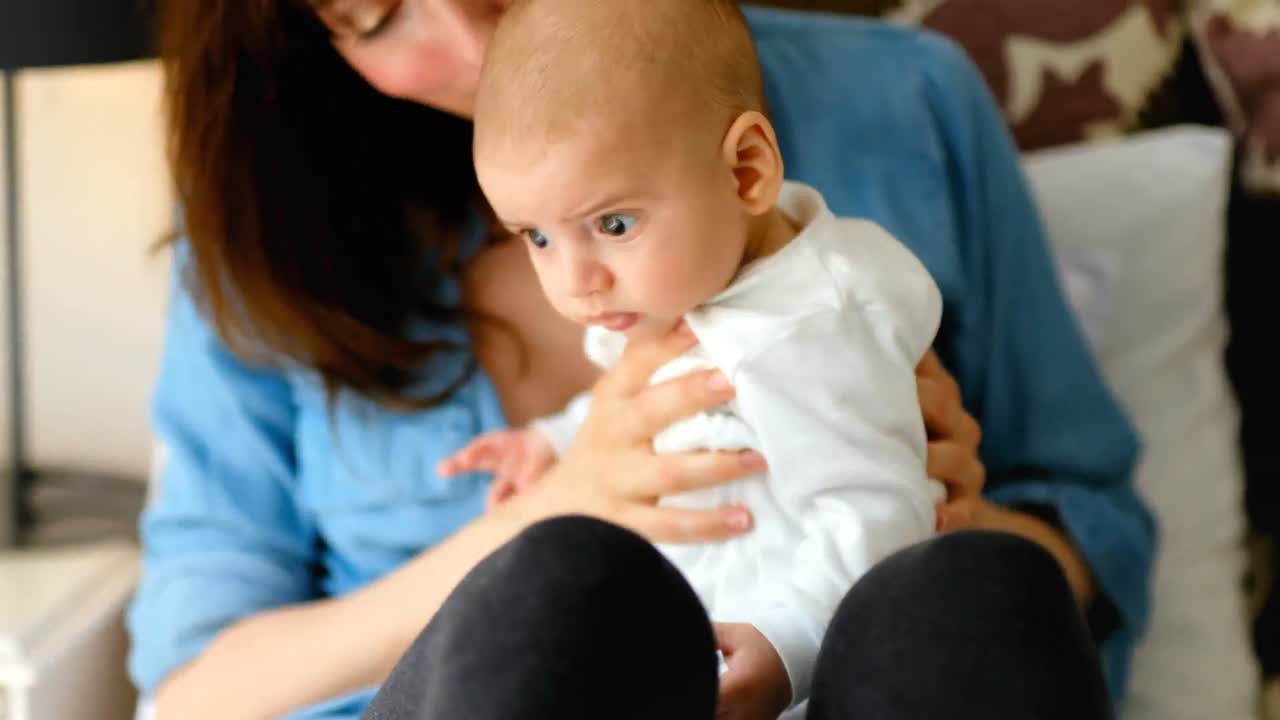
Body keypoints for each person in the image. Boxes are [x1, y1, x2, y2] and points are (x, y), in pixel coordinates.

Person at [127, 0, 1155, 718]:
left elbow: (1092, 535)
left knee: (972, 588)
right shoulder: (266, 233)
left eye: (611, 223)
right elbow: (194, 696)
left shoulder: (905, 108)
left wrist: (934, 520)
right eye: (381, 10)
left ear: (747, 165)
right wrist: (553, 498)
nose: (474, 37)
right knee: (569, 585)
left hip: (847, 664)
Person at [434, 3, 946, 714]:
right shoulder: (695, 284)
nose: (574, 281)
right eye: (538, 237)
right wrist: (552, 440)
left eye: (613, 224)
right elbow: (669, 409)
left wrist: (787, 643)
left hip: (785, 669)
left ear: (747, 172)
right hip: (683, 642)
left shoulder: (801, 334)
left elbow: (878, 516)